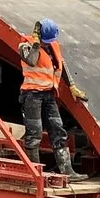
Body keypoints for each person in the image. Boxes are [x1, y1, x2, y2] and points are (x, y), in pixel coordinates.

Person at [18, 18, 77, 176]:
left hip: (49, 95)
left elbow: (61, 65)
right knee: (34, 133)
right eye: (45, 40)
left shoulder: (53, 46)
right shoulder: (26, 45)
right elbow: (31, 61)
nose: (47, 43)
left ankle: (68, 171)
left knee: (58, 131)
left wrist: (71, 85)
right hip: (31, 95)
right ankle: (35, 173)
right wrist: (36, 43)